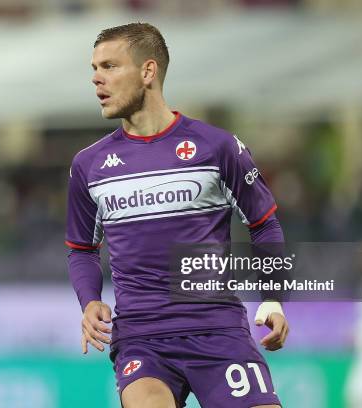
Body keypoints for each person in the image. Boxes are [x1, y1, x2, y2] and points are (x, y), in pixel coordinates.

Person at [66, 22, 289, 408]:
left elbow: (263, 223)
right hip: (141, 337)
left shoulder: (217, 148)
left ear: (147, 72)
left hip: (217, 330)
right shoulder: (89, 165)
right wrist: (89, 300)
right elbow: (81, 248)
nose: (96, 79)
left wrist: (273, 296)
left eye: (109, 66)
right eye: (94, 68)